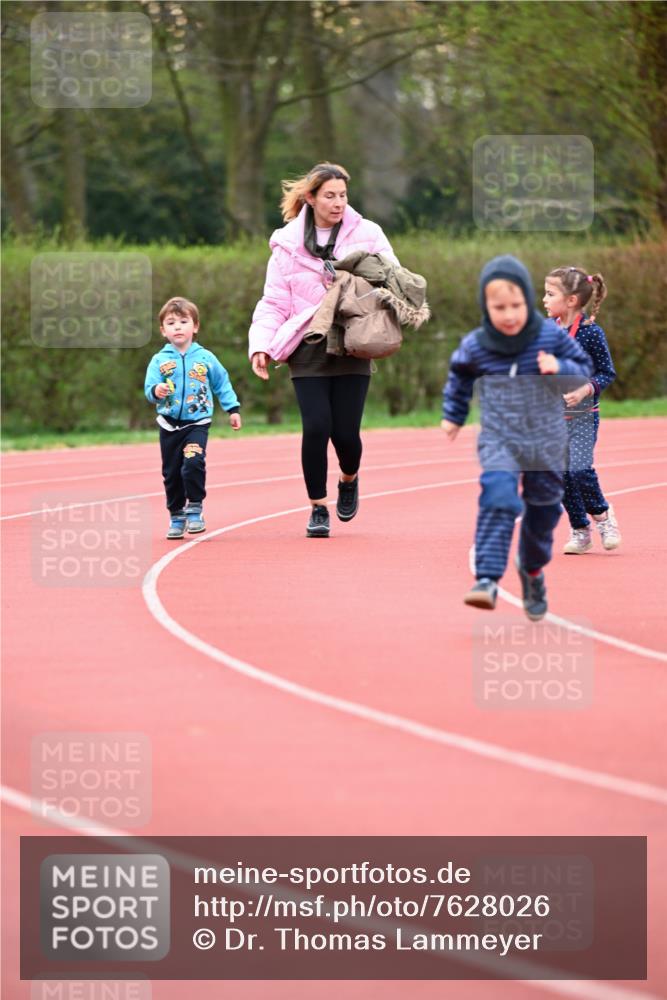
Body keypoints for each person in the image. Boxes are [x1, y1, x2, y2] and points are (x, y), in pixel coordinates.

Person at [248, 162, 397, 538]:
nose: (338, 203)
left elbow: (393, 278)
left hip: (352, 341)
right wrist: (260, 346)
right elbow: (274, 302)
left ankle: (349, 477)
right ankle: (317, 507)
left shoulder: (369, 233)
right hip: (307, 343)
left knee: (345, 434)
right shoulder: (285, 243)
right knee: (316, 427)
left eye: (343, 195)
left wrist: (365, 282)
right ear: (311, 198)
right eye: (330, 195)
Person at [441, 255, 592, 621]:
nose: (508, 315)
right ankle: (488, 580)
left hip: (545, 441)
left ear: (527, 299)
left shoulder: (548, 335)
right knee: (499, 497)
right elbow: (459, 377)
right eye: (499, 308)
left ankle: (532, 569)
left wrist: (561, 369)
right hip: (500, 438)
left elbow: (584, 372)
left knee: (543, 510)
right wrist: (454, 415)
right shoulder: (478, 344)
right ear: (485, 306)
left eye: (516, 305)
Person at [144, 296, 242, 539]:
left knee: (193, 462)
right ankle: (176, 515)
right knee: (172, 472)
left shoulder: (206, 358)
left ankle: (195, 507)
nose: (177, 327)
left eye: (183, 321)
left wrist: (233, 409)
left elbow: (221, 383)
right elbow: (149, 389)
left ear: (195, 326)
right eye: (171, 323)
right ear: (163, 330)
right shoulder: (159, 360)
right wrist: (157, 391)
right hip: (168, 424)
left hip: (197, 422)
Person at [543, 266, 621, 554]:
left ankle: (602, 516)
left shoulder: (590, 333)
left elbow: (606, 373)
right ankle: (580, 530)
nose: (544, 300)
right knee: (561, 475)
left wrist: (585, 389)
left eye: (550, 294)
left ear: (572, 300)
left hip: (584, 417)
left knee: (579, 470)